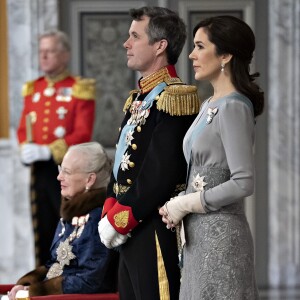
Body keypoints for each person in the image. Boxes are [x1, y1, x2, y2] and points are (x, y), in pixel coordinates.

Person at [97, 6, 200, 300]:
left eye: (134, 36)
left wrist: (122, 218)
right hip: (127, 225)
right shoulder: (138, 98)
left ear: (160, 45)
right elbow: (121, 162)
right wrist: (109, 204)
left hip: (150, 223)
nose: (126, 43)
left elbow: (161, 173)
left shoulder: (175, 97)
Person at [159, 15, 264, 299]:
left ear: (226, 55)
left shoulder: (233, 107)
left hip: (222, 240)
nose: (191, 54)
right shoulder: (209, 104)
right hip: (199, 237)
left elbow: (244, 182)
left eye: (200, 46)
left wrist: (189, 202)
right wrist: (179, 205)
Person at [17, 30, 95, 266]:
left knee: (69, 224)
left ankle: (68, 277)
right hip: (39, 171)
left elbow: (83, 132)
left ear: (65, 55)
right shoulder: (33, 89)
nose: (44, 57)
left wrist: (50, 150)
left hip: (69, 169)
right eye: (41, 52)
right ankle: (43, 275)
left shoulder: (78, 88)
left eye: (50, 51)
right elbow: (23, 128)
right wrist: (25, 148)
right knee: (41, 225)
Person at [3, 142, 118, 300]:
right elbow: (55, 265)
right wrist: (28, 284)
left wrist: (34, 292)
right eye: (60, 169)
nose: (59, 177)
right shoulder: (71, 213)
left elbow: (90, 281)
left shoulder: (98, 219)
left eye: (67, 172)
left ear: (89, 180)